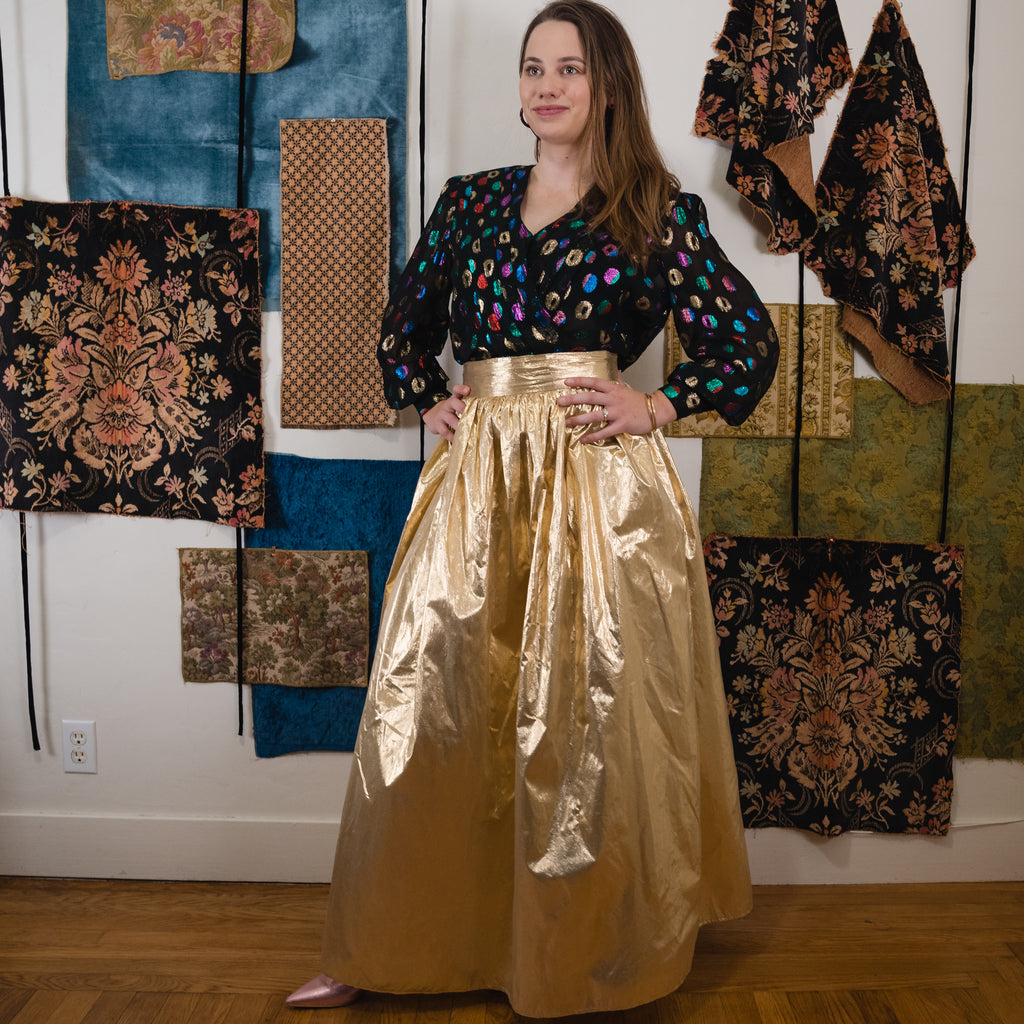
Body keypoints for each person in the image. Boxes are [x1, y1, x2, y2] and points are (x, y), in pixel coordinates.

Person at [286, 1, 779, 1016]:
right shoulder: (470, 205)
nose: (546, 85)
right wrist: (427, 395)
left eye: (569, 67)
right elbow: (401, 330)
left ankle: (579, 948)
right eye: (532, 67)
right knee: (432, 707)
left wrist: (655, 403)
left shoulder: (655, 210)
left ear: (607, 85)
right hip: (477, 485)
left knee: (583, 721)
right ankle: (384, 940)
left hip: (600, 492)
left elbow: (747, 347)